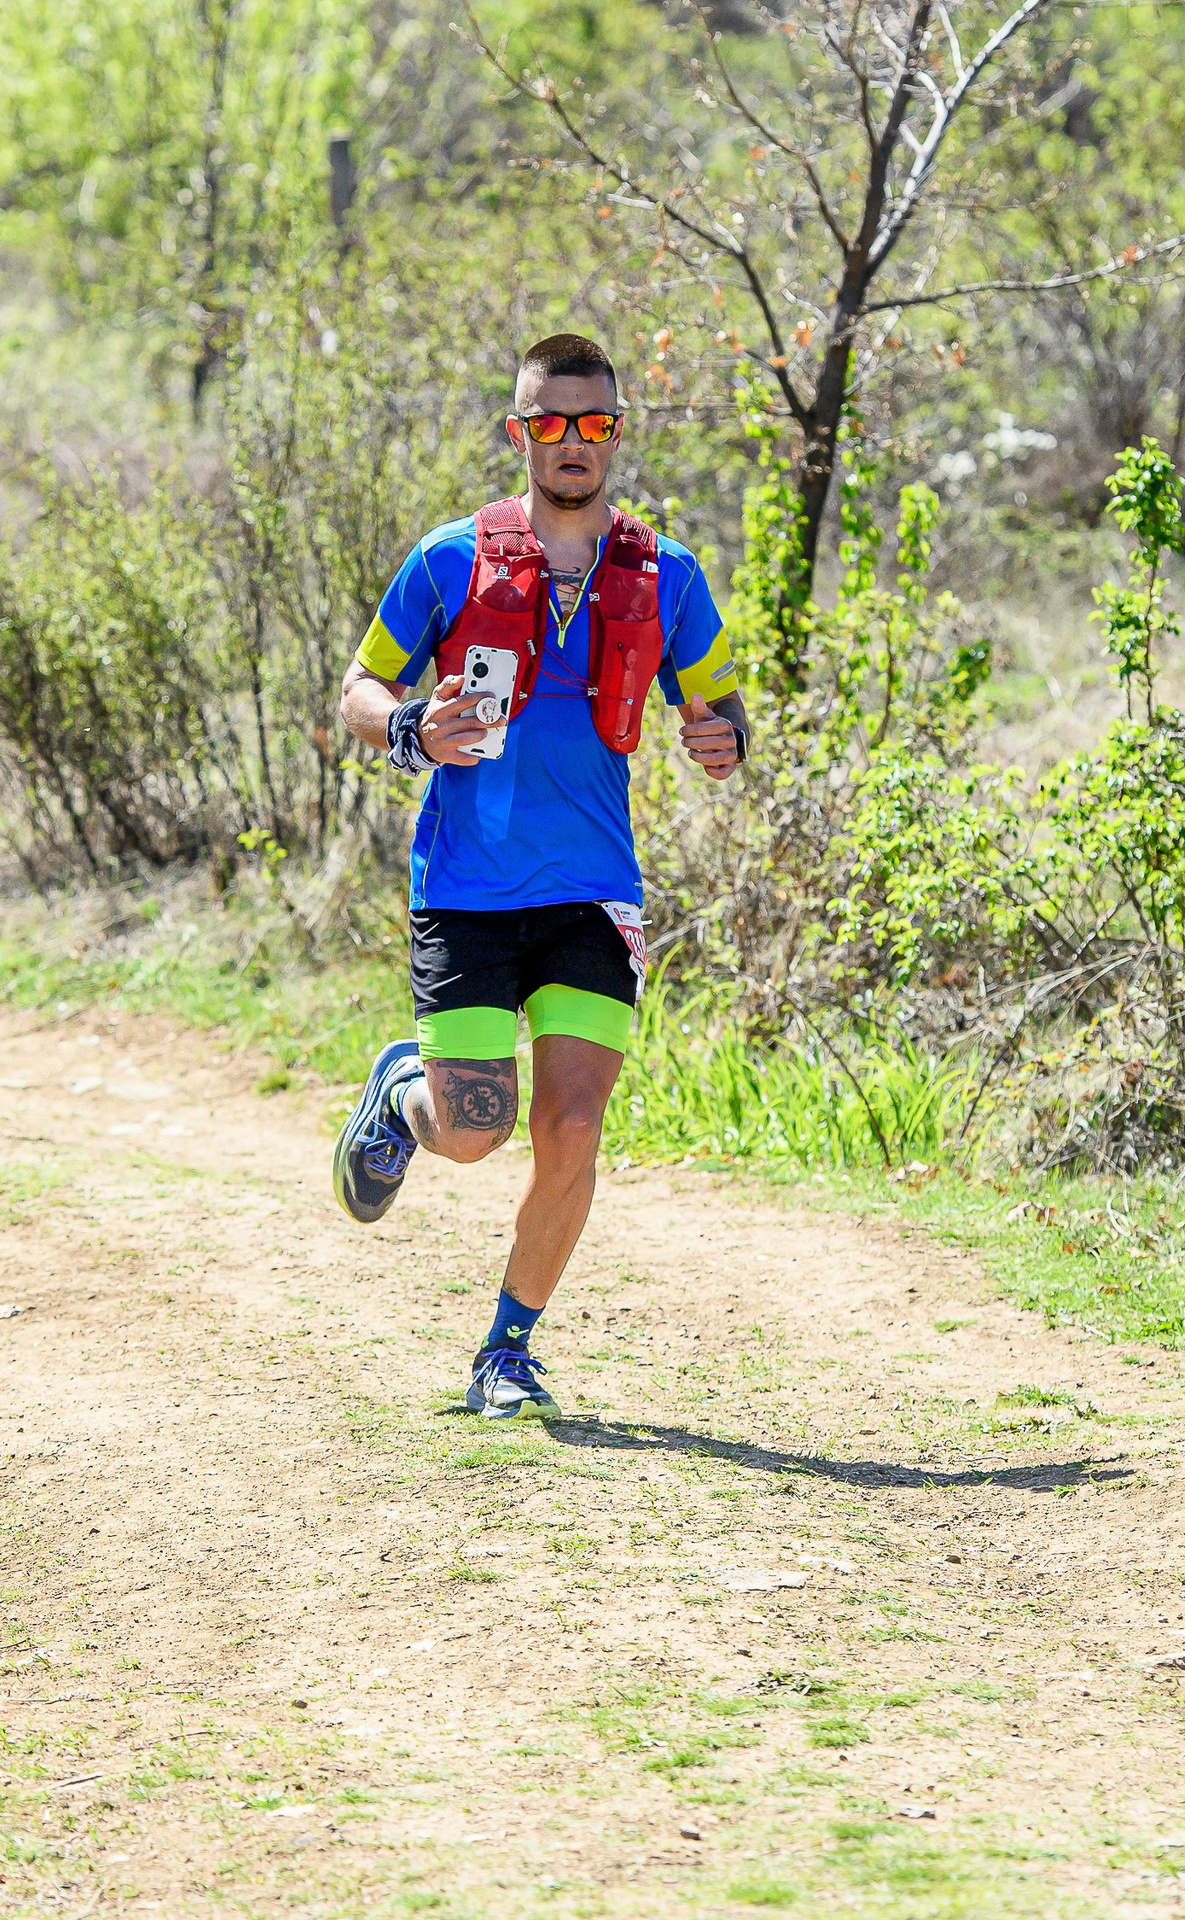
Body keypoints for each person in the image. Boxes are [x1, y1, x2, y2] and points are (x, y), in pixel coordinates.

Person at [331, 332, 750, 1420]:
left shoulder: (666, 575)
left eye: (595, 423)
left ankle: (506, 1352)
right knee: (475, 1131)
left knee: (572, 1125)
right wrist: (413, 729)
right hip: (466, 886)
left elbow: (718, 703)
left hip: (593, 892)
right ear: (519, 433)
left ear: (616, 433)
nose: (574, 442)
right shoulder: (447, 559)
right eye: (551, 423)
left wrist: (723, 740)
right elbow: (359, 690)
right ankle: (401, 1090)